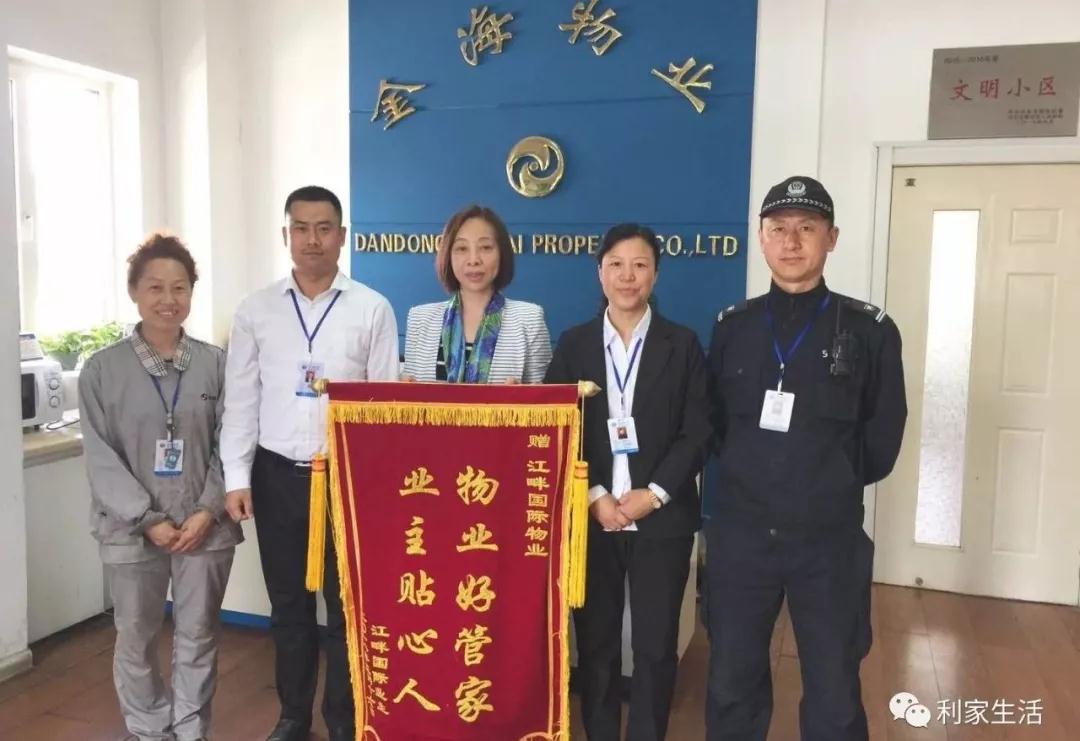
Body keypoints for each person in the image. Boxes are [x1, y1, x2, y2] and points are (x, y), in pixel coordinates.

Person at [704, 176, 907, 741]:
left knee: (834, 686)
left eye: (807, 228)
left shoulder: (869, 330)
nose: (791, 242)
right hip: (741, 535)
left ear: (831, 238)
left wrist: (829, 481)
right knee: (731, 682)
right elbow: (714, 423)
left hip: (827, 538)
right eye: (778, 229)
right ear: (762, 239)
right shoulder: (733, 327)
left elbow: (884, 433)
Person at [220, 186, 399, 741]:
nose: (312, 239)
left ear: (342, 237)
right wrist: (236, 478)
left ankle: (343, 720)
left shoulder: (372, 307)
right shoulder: (255, 310)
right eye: (301, 228)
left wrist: (376, 488)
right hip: (276, 477)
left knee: (346, 607)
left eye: (324, 228)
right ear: (286, 235)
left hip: (345, 480)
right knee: (288, 607)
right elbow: (241, 400)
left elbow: (383, 406)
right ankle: (293, 716)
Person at [545, 223, 711, 741]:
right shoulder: (574, 343)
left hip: (661, 519)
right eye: (616, 264)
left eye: (640, 265)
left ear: (655, 274)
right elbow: (558, 425)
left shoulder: (682, 344)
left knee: (656, 647)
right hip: (593, 519)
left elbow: (698, 429)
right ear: (600, 273)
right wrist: (595, 495)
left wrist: (653, 494)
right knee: (595, 645)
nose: (627, 275)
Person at [79, 233, 242, 741]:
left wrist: (207, 509)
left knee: (198, 633)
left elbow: (233, 440)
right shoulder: (101, 370)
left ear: (192, 292)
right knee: (135, 636)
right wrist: (146, 519)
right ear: (134, 291)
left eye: (179, 287)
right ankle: (150, 729)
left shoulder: (216, 364)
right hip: (131, 529)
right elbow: (100, 457)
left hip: (203, 527)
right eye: (155, 287)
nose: (168, 299)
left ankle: (191, 729)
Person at [403, 204, 551, 383]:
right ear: (448, 255)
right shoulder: (420, 319)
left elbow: (547, 397)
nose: (473, 260)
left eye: (485, 247)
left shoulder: (529, 319)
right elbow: (408, 393)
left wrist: (523, 396)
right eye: (462, 248)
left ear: (502, 253)